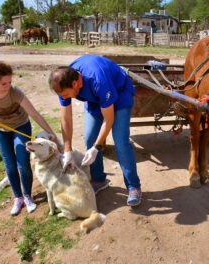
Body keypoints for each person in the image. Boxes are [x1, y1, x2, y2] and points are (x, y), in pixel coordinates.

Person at [48, 55, 142, 206]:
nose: (64, 98)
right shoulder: (64, 82)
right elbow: (66, 118)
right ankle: (98, 180)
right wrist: (67, 150)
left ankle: (133, 186)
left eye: (65, 95)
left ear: (75, 83)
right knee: (89, 138)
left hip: (119, 95)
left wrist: (97, 147)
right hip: (94, 99)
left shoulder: (98, 80)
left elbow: (109, 120)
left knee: (121, 143)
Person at [0, 61, 59, 216]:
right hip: (0, 130)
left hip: (21, 126)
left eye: (10, 82)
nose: (8, 86)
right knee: (10, 164)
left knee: (23, 162)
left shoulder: (15, 92)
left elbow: (34, 114)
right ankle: (18, 198)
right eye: (3, 83)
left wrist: (53, 136)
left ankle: (27, 196)